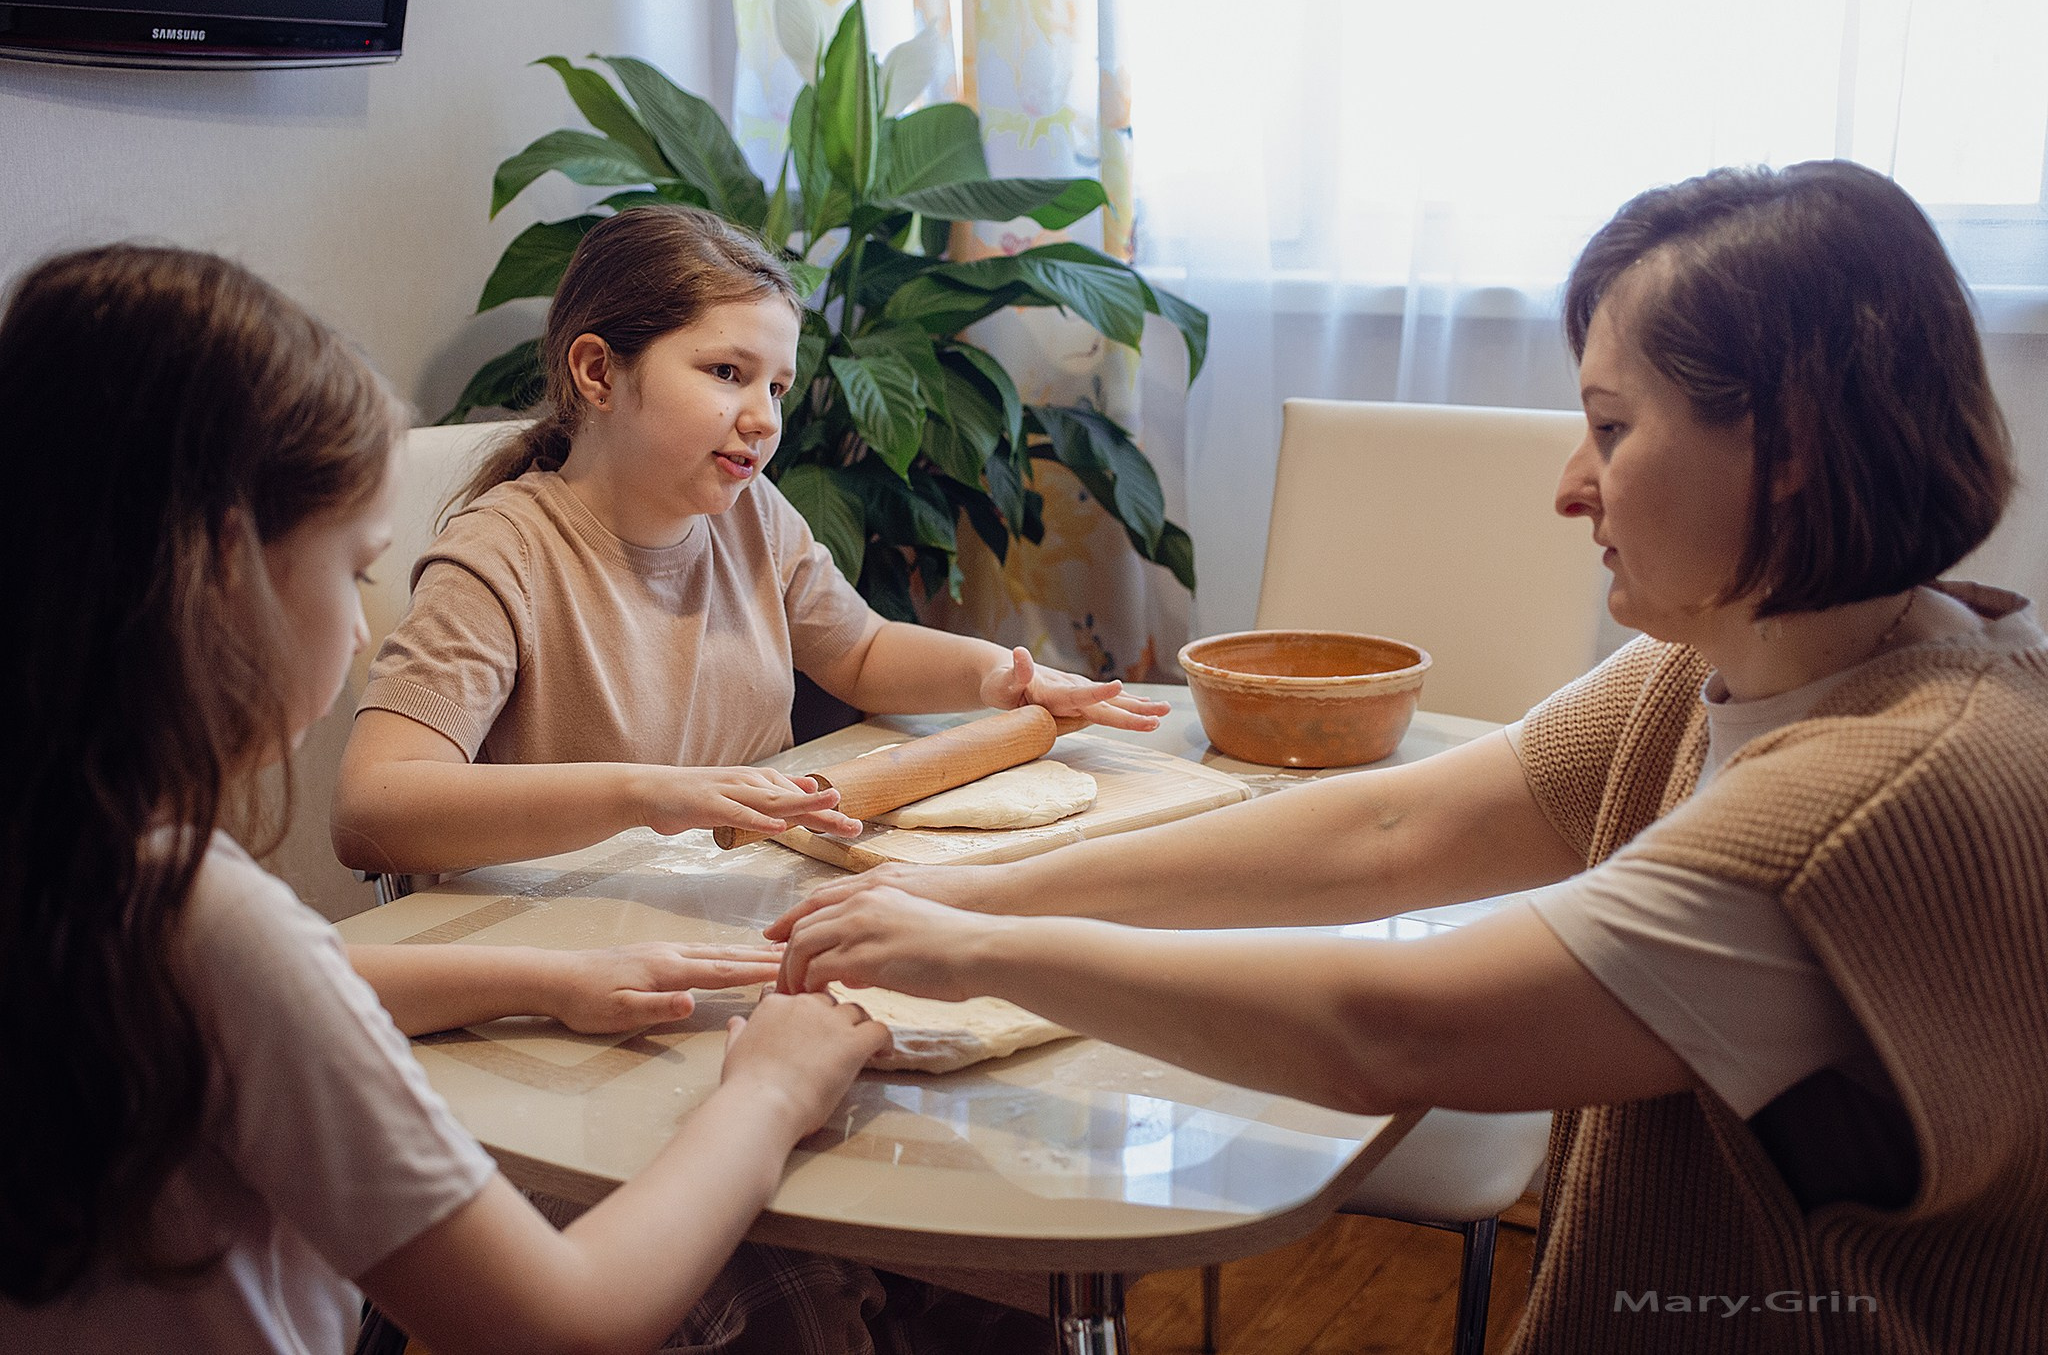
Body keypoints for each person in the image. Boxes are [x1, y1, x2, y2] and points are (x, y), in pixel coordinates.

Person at [770, 160, 2048, 1353]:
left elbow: (1384, 1034)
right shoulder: (1722, 664)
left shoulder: (1869, 795)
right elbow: (1388, 832)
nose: (1568, 483)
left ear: (1792, 448)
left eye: (1610, 427)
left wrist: (981, 950)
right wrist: (981, 887)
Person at [0, 244, 895, 1354]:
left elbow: (302, 979)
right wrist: (767, 1093)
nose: (366, 625)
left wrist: (548, 980)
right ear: (227, 571)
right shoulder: (201, 919)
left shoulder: (83, 878)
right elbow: (563, 1322)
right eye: (352, 565)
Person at [330, 204, 1165, 879]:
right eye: (726, 373)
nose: (764, 418)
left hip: (746, 892)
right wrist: (649, 795)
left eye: (777, 384)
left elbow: (863, 653)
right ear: (597, 373)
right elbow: (371, 810)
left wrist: (998, 677)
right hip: (572, 934)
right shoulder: (500, 558)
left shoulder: (750, 511)